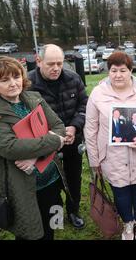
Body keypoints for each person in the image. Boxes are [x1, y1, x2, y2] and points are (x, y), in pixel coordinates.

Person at [0, 56, 66, 240]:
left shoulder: (34, 97)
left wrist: (35, 158)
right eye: (4, 80)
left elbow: (59, 126)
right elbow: (10, 147)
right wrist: (55, 141)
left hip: (51, 178)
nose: (13, 84)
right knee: (30, 233)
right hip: (20, 186)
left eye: (17, 77)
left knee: (53, 224)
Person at [84, 51, 136, 240]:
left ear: (131, 70)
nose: (118, 75)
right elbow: (90, 128)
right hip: (112, 155)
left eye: (123, 70)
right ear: (108, 72)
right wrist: (94, 159)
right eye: (113, 70)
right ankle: (128, 224)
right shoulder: (98, 93)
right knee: (120, 191)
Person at [29, 44, 88, 229]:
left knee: (74, 179)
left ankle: (73, 211)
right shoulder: (27, 85)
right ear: (38, 61)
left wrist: (74, 127)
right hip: (45, 145)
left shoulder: (73, 78)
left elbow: (84, 105)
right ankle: (56, 218)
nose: (56, 68)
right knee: (51, 185)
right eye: (50, 64)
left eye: (60, 63)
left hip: (72, 140)